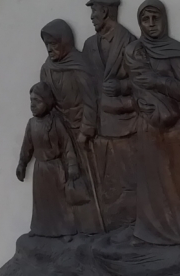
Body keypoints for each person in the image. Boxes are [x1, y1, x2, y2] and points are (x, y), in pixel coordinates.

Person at [124, 0, 180, 246]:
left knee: (179, 180)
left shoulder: (174, 51)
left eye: (156, 18)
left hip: (175, 125)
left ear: (164, 20)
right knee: (153, 182)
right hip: (148, 123)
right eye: (145, 19)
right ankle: (152, 233)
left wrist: (156, 81)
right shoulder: (134, 51)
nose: (151, 23)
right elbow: (129, 84)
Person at [38, 19, 105, 233]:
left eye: (54, 44)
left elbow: (90, 100)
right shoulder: (47, 69)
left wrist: (86, 130)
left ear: (65, 42)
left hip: (81, 131)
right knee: (67, 179)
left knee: (90, 179)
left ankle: (97, 227)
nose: (50, 49)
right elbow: (46, 101)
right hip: (61, 131)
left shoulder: (80, 65)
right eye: (47, 45)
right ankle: (72, 227)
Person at [80, 0, 140, 228]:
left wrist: (121, 87)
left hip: (126, 125)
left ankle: (136, 226)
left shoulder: (130, 42)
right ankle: (115, 228)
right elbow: (87, 90)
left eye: (94, 10)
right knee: (107, 182)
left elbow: (141, 82)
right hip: (100, 127)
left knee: (131, 180)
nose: (91, 16)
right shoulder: (89, 46)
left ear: (105, 11)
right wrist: (87, 128)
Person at [16, 82, 81, 238]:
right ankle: (40, 229)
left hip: (55, 168)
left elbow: (67, 145)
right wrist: (21, 164)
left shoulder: (56, 122)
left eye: (37, 101)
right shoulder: (31, 124)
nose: (32, 105)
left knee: (59, 201)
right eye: (31, 100)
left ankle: (65, 231)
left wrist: (72, 165)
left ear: (47, 102)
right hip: (40, 170)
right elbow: (26, 147)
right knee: (41, 202)